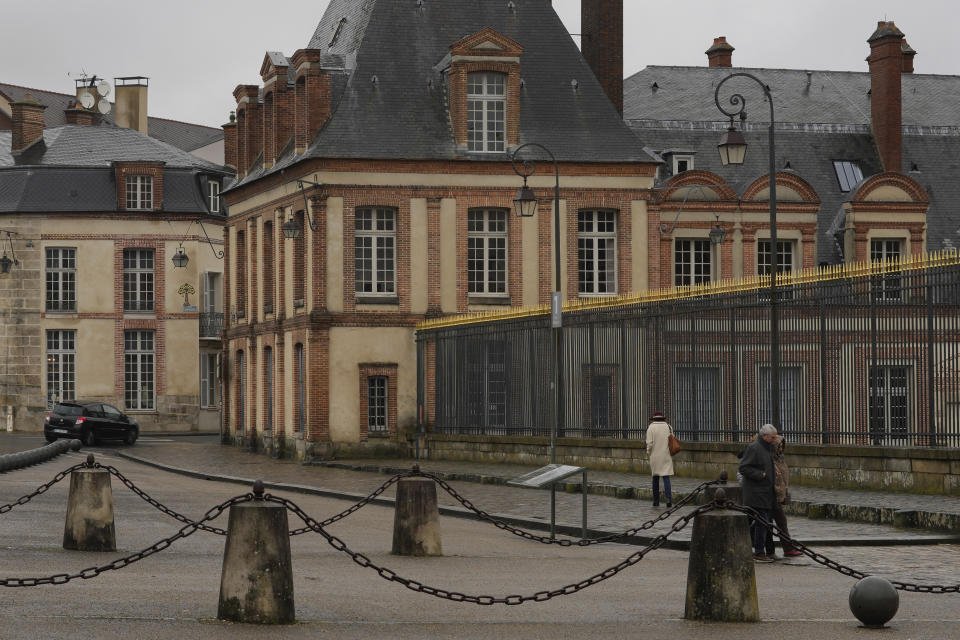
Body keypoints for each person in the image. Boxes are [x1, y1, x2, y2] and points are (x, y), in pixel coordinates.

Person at [738, 423, 777, 562]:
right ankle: (759, 552)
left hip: (766, 492)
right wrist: (762, 474)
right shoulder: (754, 448)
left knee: (763, 522)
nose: (774, 440)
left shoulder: (768, 448)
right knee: (761, 523)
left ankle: (767, 551)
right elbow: (743, 467)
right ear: (764, 436)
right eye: (772, 437)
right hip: (756, 493)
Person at [768, 434, 803, 558]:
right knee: (781, 522)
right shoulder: (770, 459)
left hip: (779, 494)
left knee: (776, 522)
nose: (781, 449)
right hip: (772, 495)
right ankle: (787, 549)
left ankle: (785, 548)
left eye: (782, 446)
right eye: (779, 446)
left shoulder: (780, 458)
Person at [645, 411, 674, 508]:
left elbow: (649, 444)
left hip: (655, 456)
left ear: (653, 419)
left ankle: (656, 501)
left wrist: (648, 453)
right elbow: (672, 440)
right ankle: (668, 499)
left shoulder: (651, 428)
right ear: (663, 418)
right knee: (666, 477)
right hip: (666, 455)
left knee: (655, 478)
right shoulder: (668, 427)